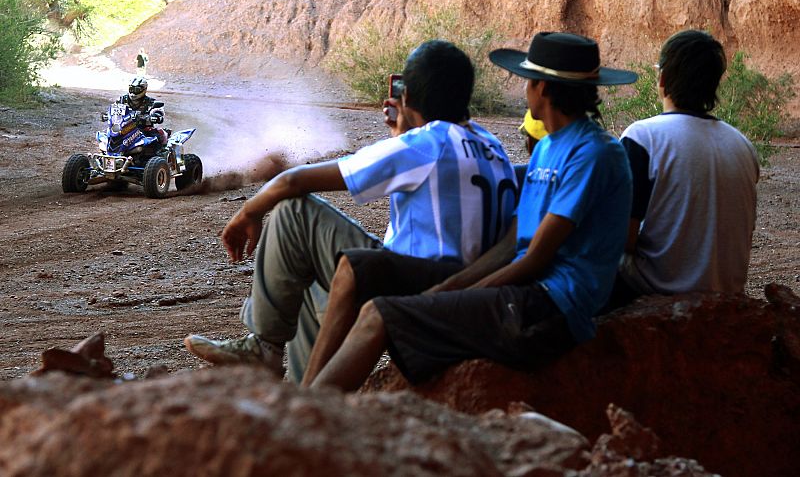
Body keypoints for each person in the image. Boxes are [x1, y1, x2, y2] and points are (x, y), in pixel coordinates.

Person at [306, 31, 637, 392]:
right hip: (528, 292)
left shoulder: (595, 153)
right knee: (368, 280)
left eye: (527, 81)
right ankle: (304, 403)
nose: (525, 88)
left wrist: (456, 296)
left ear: (541, 87)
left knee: (379, 315)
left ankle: (305, 415)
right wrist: (448, 287)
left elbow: (536, 257)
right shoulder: (547, 149)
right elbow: (511, 243)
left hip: (551, 307)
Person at [184, 40, 519, 379]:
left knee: (293, 214)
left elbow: (293, 182)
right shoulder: (491, 144)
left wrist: (249, 212)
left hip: (417, 285)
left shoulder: (427, 144)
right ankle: (303, 392)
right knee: (304, 283)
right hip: (468, 289)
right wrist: (403, 132)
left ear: (408, 95)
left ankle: (265, 347)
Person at [603, 30, 759, 311]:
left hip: (656, 293)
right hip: (726, 296)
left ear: (662, 78)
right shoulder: (743, 145)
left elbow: (621, 239)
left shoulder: (643, 137)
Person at [118, 76, 167, 145]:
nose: (133, 92)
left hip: (144, 130)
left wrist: (155, 116)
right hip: (124, 129)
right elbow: (114, 109)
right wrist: (107, 115)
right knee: (108, 135)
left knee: (159, 135)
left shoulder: (151, 102)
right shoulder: (122, 100)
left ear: (144, 89)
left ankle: (164, 150)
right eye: (131, 89)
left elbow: (158, 112)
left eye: (137, 90)